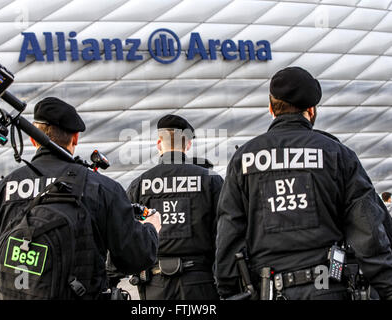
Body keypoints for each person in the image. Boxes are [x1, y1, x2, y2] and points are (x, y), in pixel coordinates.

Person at [215, 66, 392, 300]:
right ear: (311, 110)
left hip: (269, 291)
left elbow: (229, 233)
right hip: (327, 289)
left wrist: (228, 290)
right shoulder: (336, 154)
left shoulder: (243, 160)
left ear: (271, 109)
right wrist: (387, 287)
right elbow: (368, 231)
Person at [0, 97, 161, 300]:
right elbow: (134, 258)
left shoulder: (3, 189)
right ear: (75, 138)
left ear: (34, 140)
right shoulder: (101, 188)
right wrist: (151, 229)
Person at [126, 114, 224, 300]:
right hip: (200, 282)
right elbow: (224, 232)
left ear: (159, 144)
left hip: (155, 284)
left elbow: (126, 235)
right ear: (187, 144)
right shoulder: (211, 181)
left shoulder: (139, 185)